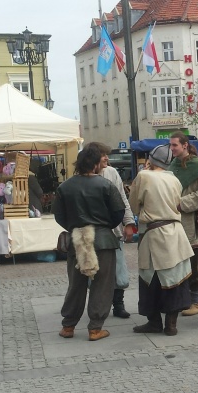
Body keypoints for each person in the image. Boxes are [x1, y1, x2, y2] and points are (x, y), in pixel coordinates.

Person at [53, 142, 127, 341]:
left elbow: (59, 215)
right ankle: (95, 328)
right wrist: (105, 226)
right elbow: (118, 211)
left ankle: (68, 326)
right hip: (103, 240)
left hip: (76, 240)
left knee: (75, 284)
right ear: (95, 164)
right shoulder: (105, 185)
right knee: (102, 285)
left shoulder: (65, 186)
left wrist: (74, 227)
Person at [128, 145, 194, 336]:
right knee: (175, 279)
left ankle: (155, 323)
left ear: (151, 160)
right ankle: (171, 325)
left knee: (152, 281)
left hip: (154, 235)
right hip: (175, 234)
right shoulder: (174, 178)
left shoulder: (144, 176)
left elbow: (133, 205)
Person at [168, 131, 198, 317]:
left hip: (192, 221)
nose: (172, 148)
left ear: (185, 145)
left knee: (196, 263)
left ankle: (195, 301)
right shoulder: (172, 165)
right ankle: (182, 299)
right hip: (175, 221)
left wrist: (182, 202)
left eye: (175, 145)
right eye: (171, 145)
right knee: (179, 262)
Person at [99, 149, 138, 318]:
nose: (107, 158)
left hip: (113, 230)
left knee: (118, 268)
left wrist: (129, 222)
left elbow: (122, 199)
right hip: (93, 233)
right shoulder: (82, 176)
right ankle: (100, 304)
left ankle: (118, 304)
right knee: (96, 271)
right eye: (103, 155)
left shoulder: (112, 172)